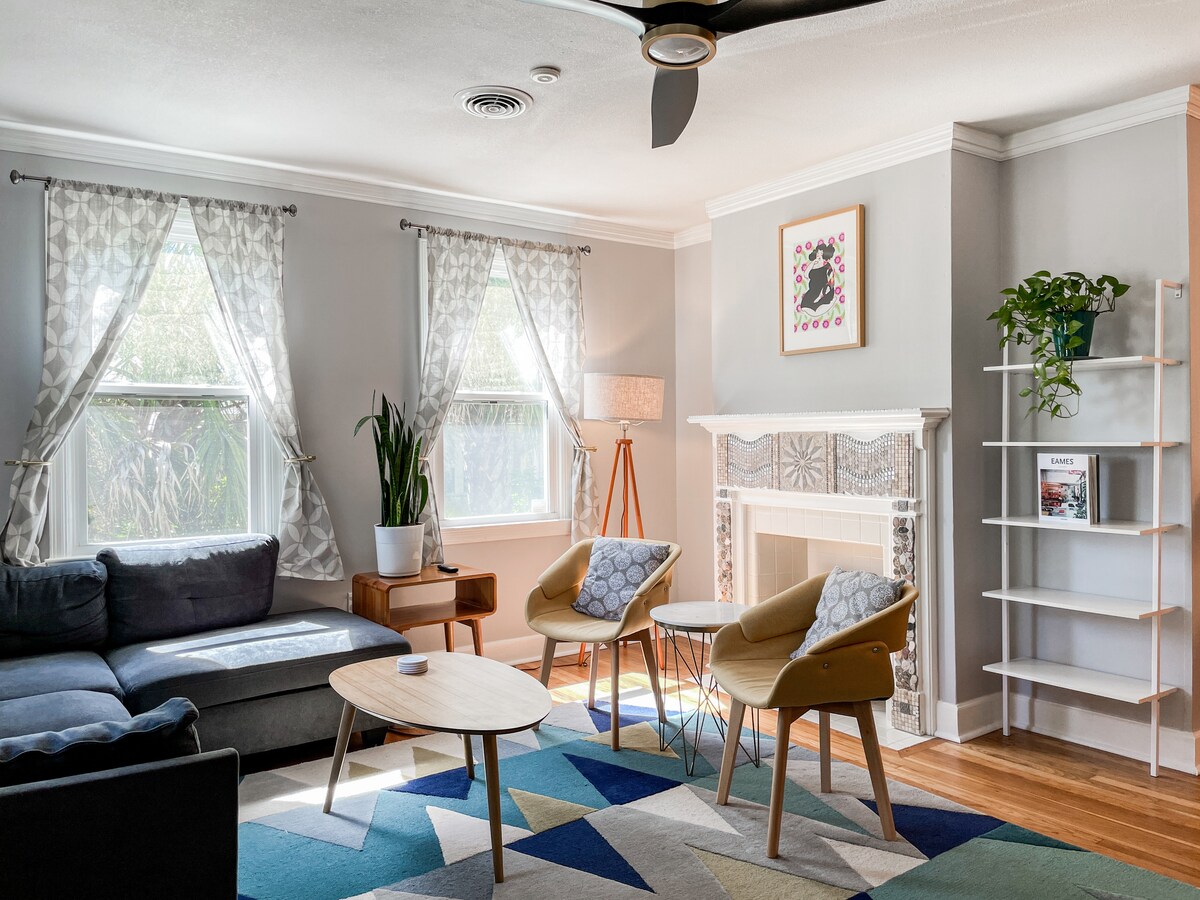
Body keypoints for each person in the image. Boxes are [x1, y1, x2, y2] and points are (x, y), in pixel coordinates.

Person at [800, 242, 837, 312]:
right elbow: (806, 275)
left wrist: (822, 293)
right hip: (812, 290)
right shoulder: (813, 265)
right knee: (804, 305)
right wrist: (813, 263)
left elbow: (831, 280)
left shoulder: (827, 266)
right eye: (818, 253)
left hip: (823, 290)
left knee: (815, 306)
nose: (818, 255)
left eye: (821, 253)